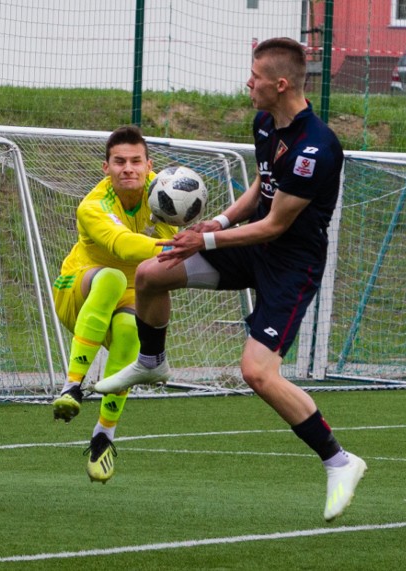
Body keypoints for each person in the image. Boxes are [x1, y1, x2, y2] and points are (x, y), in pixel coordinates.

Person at [94, 38, 366, 521]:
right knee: (151, 273)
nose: (248, 83)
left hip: (290, 265)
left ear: (280, 84)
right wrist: (216, 223)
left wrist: (209, 242)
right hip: (250, 245)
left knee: (258, 373)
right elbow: (264, 184)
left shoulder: (316, 148)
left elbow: (277, 224)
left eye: (256, 75)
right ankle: (152, 362)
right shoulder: (266, 123)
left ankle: (339, 461)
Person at [51, 125, 177, 483]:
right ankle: (72, 385)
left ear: (149, 164)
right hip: (77, 291)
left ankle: (103, 435)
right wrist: (186, 246)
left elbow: (171, 247)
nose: (128, 168)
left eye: (136, 161)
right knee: (113, 276)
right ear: (105, 167)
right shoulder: (93, 205)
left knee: (129, 330)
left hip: (127, 298)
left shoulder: (166, 193)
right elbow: (124, 246)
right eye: (119, 161)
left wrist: (184, 242)